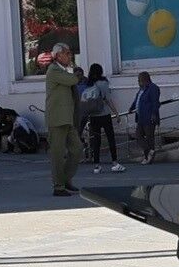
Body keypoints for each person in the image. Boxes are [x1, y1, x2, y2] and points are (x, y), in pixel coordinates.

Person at [44, 43, 83, 196]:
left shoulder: (65, 69)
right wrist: (76, 73)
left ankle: (65, 179)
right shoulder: (53, 70)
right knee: (58, 155)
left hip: (68, 118)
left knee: (77, 149)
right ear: (58, 55)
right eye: (66, 53)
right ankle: (58, 186)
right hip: (57, 118)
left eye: (70, 53)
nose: (69, 56)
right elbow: (73, 80)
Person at [82, 63, 126, 174]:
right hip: (104, 115)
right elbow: (108, 99)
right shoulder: (103, 83)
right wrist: (116, 114)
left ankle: (97, 166)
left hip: (93, 116)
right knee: (111, 138)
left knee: (96, 140)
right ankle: (115, 163)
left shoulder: (89, 84)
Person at [128, 71, 161, 164]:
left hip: (149, 117)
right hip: (140, 117)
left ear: (145, 80)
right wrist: (131, 108)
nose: (138, 82)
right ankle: (150, 151)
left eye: (139, 80)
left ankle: (148, 157)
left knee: (149, 137)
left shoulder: (153, 88)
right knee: (138, 135)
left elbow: (155, 102)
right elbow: (137, 100)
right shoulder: (141, 89)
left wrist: (154, 114)